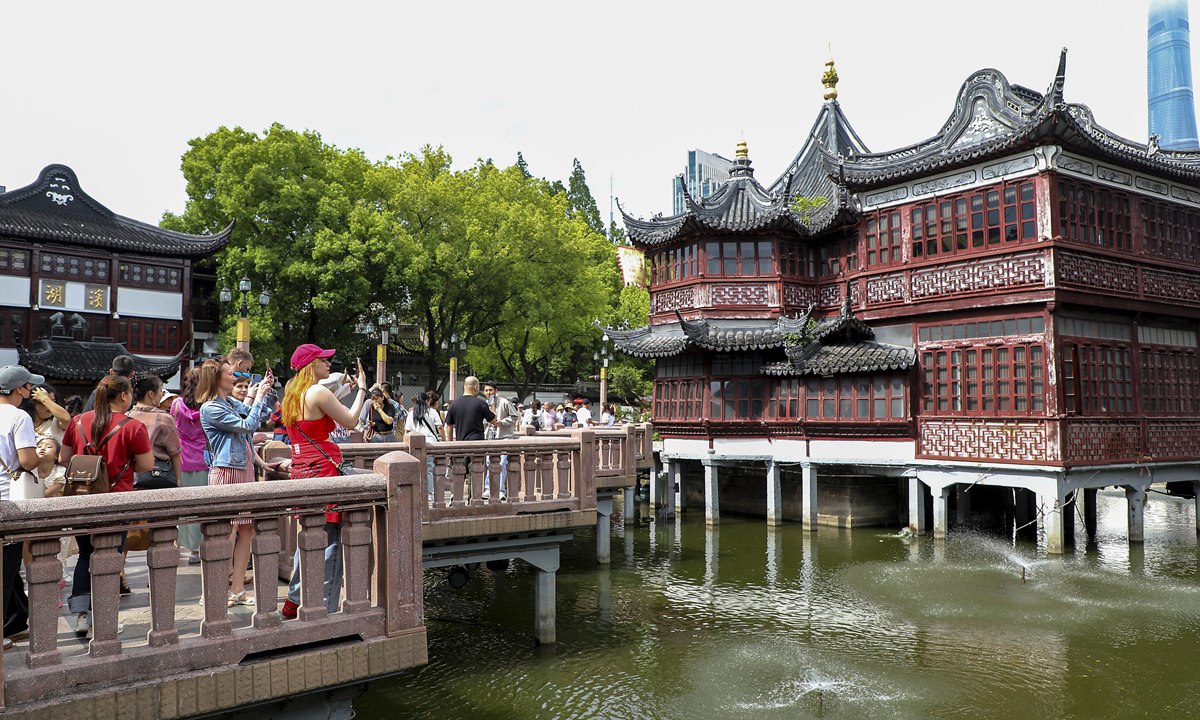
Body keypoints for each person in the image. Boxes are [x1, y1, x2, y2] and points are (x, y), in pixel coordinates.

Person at [60, 374, 154, 636]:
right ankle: (103, 620)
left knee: (85, 555)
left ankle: (82, 615)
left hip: (82, 498)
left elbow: (64, 458)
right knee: (110, 558)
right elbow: (146, 465)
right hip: (116, 500)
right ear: (123, 395)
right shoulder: (132, 427)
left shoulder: (78, 422)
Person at [280, 344, 368, 619]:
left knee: (308, 535)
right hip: (324, 471)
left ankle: (293, 600)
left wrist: (344, 387)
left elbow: (325, 403)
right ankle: (326, 611)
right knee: (330, 541)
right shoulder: (318, 392)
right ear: (311, 365)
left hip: (301, 470)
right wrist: (362, 389)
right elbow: (351, 421)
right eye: (324, 360)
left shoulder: (292, 392)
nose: (329, 364)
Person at [198, 359, 277, 608]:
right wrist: (258, 396)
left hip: (243, 469)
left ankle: (237, 589)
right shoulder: (210, 407)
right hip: (226, 471)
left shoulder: (229, 403)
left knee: (246, 529)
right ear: (217, 378)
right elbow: (247, 425)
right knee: (225, 533)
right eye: (229, 374)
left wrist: (261, 392)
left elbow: (261, 415)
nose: (234, 378)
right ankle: (212, 591)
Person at [0, 365, 42, 649]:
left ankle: (15, 621)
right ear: (19, 389)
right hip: (8, 497)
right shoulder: (19, 416)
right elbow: (27, 461)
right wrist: (44, 455)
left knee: (10, 567)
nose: (31, 391)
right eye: (29, 387)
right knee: (6, 566)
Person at [171, 368, 208, 564]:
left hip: (183, 460)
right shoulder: (208, 406)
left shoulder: (176, 404)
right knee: (204, 505)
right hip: (204, 459)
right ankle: (200, 548)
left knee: (187, 506)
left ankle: (189, 548)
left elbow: (173, 430)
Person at [404, 390, 442, 500]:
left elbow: (407, 431)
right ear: (427, 401)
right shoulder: (432, 412)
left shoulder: (411, 414)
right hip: (430, 443)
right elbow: (439, 427)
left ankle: (418, 493)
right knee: (429, 468)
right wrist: (444, 440)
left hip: (415, 444)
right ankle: (429, 493)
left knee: (416, 469)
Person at [482, 381, 516, 498]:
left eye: (491, 390)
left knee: (501, 463)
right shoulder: (484, 404)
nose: (488, 392)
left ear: (496, 391)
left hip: (504, 437)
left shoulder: (504, 402)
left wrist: (502, 422)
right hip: (490, 437)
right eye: (486, 390)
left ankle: (501, 490)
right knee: (488, 462)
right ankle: (488, 488)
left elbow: (514, 417)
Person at [443, 376, 495, 442]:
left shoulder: (454, 404)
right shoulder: (481, 403)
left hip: (461, 443)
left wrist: (450, 443)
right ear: (476, 387)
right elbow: (493, 421)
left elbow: (449, 425)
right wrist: (493, 406)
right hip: (477, 443)